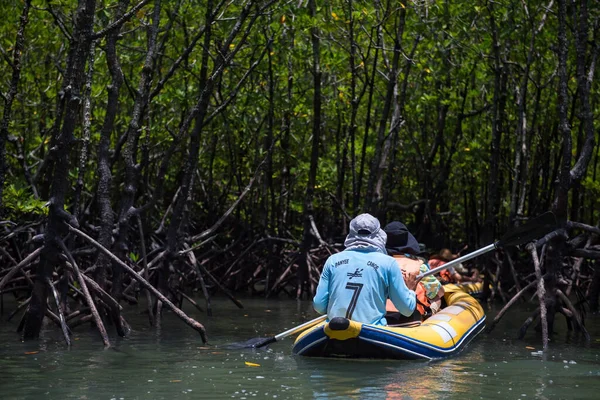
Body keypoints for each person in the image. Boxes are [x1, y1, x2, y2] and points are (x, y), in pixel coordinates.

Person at [313, 213, 417, 326]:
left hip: (335, 329)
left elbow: (319, 306)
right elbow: (407, 310)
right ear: (379, 235)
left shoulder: (332, 261)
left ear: (351, 233)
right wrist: (410, 289)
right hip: (371, 331)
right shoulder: (389, 263)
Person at [383, 221, 444, 322]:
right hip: (410, 317)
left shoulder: (378, 264)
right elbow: (440, 292)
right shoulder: (419, 266)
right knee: (436, 298)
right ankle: (429, 315)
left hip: (383, 314)